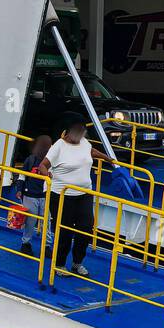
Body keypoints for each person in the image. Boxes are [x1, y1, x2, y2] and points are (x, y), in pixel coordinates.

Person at [37, 118, 115, 278]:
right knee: (64, 230)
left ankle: (77, 263)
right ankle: (59, 264)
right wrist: (47, 175)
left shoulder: (84, 142)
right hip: (61, 195)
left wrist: (109, 160)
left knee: (86, 227)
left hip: (84, 193)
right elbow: (42, 165)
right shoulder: (58, 146)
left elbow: (91, 152)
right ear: (67, 132)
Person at [13, 134, 52, 257]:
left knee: (47, 222)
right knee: (30, 221)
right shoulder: (30, 160)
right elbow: (22, 176)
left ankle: (47, 246)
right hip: (30, 195)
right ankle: (26, 243)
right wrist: (19, 189)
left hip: (45, 196)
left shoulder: (52, 162)